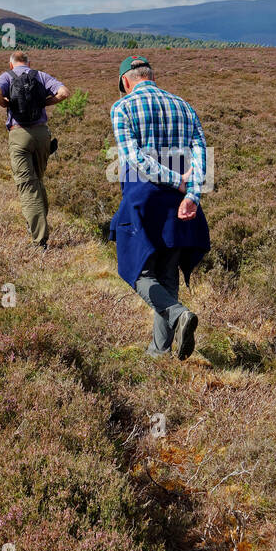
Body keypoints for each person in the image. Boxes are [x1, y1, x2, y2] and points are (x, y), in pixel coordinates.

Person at [109, 56, 210, 360]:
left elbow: (133, 157)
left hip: (144, 197)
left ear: (126, 81)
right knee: (167, 274)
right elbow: (201, 155)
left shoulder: (122, 107)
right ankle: (159, 353)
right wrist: (192, 194)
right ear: (151, 75)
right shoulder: (185, 107)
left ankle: (178, 315)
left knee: (134, 268)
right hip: (181, 204)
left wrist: (176, 181)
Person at [0, 51, 69, 250]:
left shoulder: (7, 76)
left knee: (27, 185)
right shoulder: (40, 76)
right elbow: (64, 92)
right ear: (29, 63)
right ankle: (38, 223)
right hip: (42, 134)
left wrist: (6, 104)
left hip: (19, 135)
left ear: (11, 64)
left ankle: (40, 239)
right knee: (38, 180)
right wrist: (45, 102)